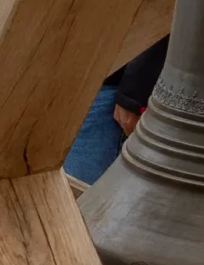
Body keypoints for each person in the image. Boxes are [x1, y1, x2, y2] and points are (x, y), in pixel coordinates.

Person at [66, 37, 166, 183]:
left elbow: (163, 20)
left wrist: (134, 93)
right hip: (59, 84)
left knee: (83, 199)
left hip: (103, 93)